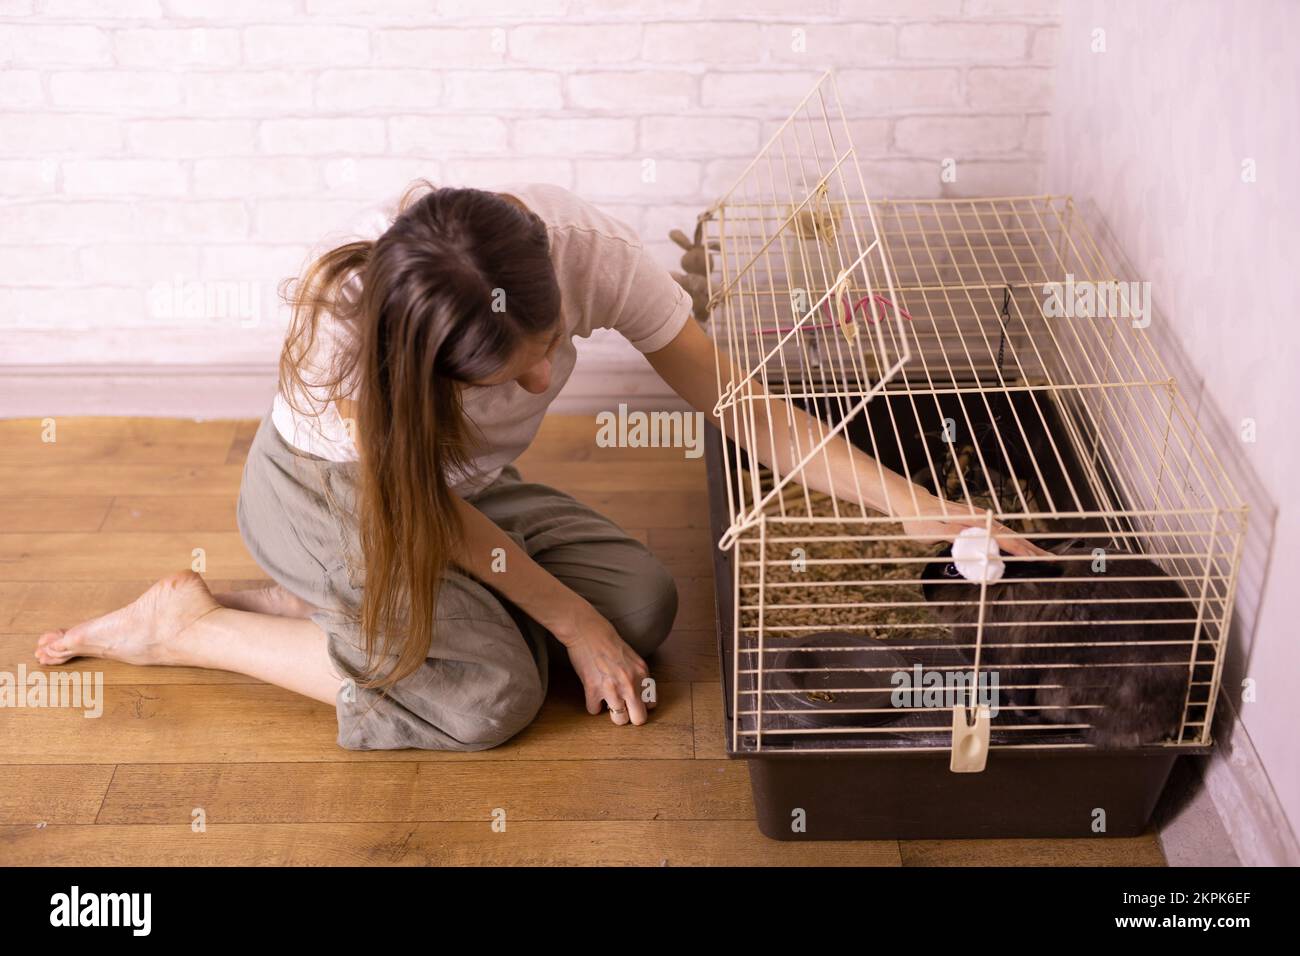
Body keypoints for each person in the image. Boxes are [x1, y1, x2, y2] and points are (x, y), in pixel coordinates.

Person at [34, 181, 1045, 752]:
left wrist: (918, 507)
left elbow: (739, 403)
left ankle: (357, 611)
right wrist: (568, 620)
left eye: (552, 347)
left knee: (643, 604)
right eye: (508, 375)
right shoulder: (354, 354)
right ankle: (191, 625)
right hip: (334, 496)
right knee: (493, 701)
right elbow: (424, 503)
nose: (547, 375)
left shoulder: (584, 251)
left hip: (462, 490)